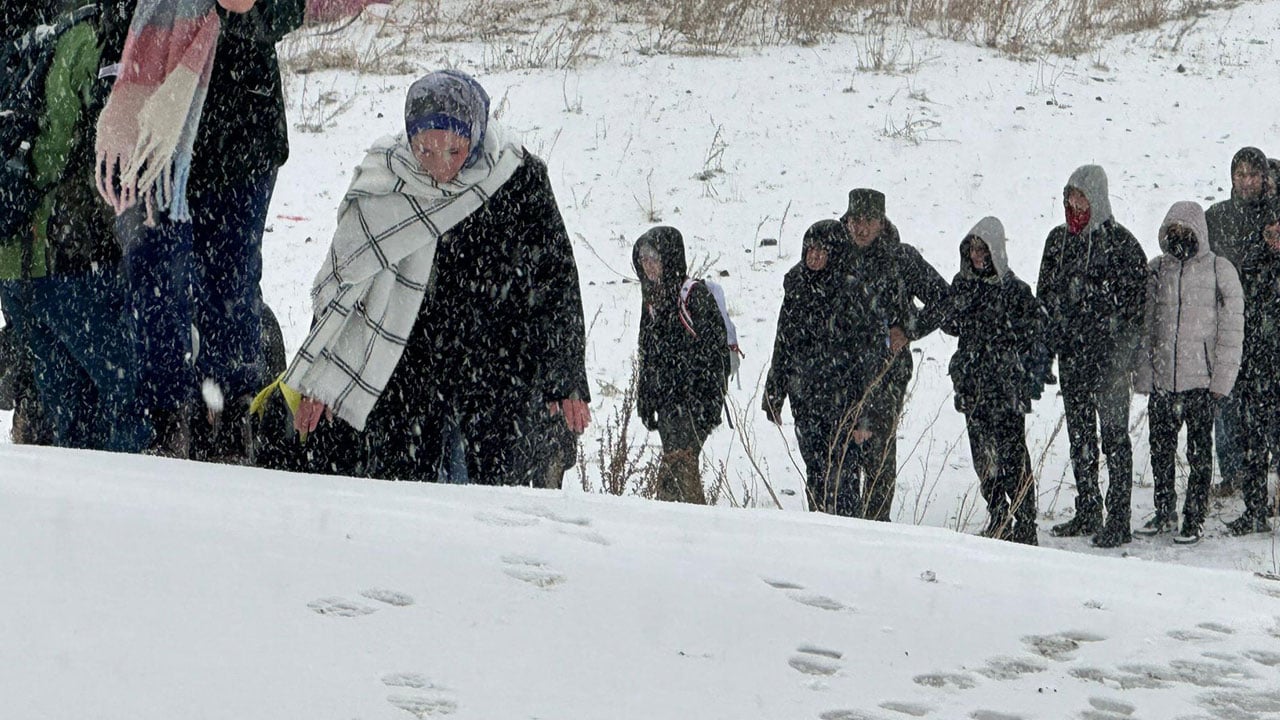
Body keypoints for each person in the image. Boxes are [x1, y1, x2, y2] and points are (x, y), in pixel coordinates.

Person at [287, 70, 591, 487]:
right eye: (425, 150)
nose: (440, 166)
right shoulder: (385, 183)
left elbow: (555, 281)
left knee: (492, 513)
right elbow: (346, 286)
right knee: (408, 516)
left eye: (454, 149)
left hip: (498, 373)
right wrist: (320, 380)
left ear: (477, 132)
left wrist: (566, 375)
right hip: (407, 375)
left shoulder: (517, 177)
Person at [97, 0, 305, 458]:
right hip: (151, 139)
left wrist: (248, 9)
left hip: (242, 136)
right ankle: (168, 423)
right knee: (154, 285)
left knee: (231, 283)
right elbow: (111, 21)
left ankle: (232, 421)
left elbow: (292, 9)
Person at [0, 0, 149, 453]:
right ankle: (142, 509)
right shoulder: (94, 42)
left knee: (68, 410)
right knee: (128, 396)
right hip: (68, 263)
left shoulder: (34, 40)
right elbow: (85, 158)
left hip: (17, 264)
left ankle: (83, 512)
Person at [1038, 165, 1147, 546]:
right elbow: (1045, 299)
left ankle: (1118, 518)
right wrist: (1051, 345)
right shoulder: (1058, 242)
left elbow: (1137, 308)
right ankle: (1087, 509)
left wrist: (1122, 353)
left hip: (1111, 362)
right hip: (1072, 358)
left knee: (1114, 438)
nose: (1074, 202)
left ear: (1097, 197)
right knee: (1080, 436)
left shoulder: (1122, 244)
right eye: (1070, 195)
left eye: (1081, 195)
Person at [1132, 201, 1243, 545]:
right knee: (1160, 450)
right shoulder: (1157, 270)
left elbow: (1231, 329)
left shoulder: (1218, 270)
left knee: (1198, 453)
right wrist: (1144, 372)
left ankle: (1194, 517)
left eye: (1186, 232)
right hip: (1164, 381)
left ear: (1200, 233)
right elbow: (1145, 326)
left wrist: (1222, 379)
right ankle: (1165, 511)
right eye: (1173, 232)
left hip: (1201, 383)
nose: (1179, 239)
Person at [933, 218, 1048, 545]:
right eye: (972, 249)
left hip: (1006, 387)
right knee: (984, 459)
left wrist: (1027, 381)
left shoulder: (1016, 291)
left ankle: (1025, 522)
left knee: (1014, 458)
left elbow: (1034, 339)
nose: (977, 255)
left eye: (983, 249)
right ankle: (998, 515)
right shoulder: (963, 285)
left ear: (996, 251)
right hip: (973, 386)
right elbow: (952, 325)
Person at [764, 219, 890, 517]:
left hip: (845, 402)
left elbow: (871, 357)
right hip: (806, 398)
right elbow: (784, 342)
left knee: (844, 477)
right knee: (816, 474)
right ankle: (820, 532)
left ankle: (846, 540)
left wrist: (865, 415)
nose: (815, 256)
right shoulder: (797, 285)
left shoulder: (855, 290)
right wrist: (775, 389)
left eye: (822, 250)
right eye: (810, 249)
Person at [840, 189, 949, 521]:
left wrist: (909, 329)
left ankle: (877, 523)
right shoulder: (837, 254)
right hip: (841, 368)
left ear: (881, 223)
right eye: (856, 220)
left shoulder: (901, 258)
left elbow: (944, 299)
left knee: (878, 450)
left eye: (869, 221)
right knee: (842, 447)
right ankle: (840, 523)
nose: (861, 229)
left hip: (888, 369)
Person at [632, 226, 729, 504]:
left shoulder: (693, 296)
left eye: (654, 258)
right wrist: (645, 397)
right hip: (666, 404)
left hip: (692, 404)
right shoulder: (652, 300)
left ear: (669, 258)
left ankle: (685, 527)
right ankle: (682, 525)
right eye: (643, 259)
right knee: (676, 469)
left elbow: (715, 355)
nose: (648, 265)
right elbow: (648, 355)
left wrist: (710, 404)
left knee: (679, 468)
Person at [1205, 147, 1273, 497]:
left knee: (1268, 406)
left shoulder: (1273, 217)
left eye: (1252, 174)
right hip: (1228, 328)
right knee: (1227, 401)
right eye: (1240, 174)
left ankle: (1266, 478)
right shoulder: (1216, 216)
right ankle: (1231, 474)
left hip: (1269, 327)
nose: (1245, 181)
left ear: (1265, 178)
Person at [1224, 200, 1280, 535]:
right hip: (1258, 367)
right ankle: (1255, 509)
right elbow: (1241, 318)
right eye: (1269, 232)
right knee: (1254, 444)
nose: (1275, 239)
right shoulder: (1252, 265)